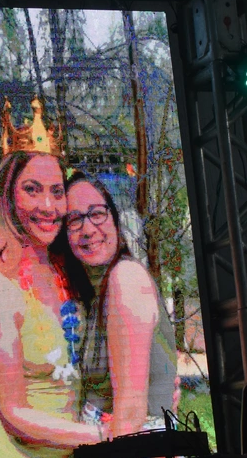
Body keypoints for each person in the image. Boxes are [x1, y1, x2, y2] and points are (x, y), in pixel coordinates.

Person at [0, 103, 101, 458]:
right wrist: (102, 436)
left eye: (56, 191)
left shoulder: (70, 265)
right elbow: (14, 413)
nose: (48, 206)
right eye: (32, 189)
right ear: (9, 196)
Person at [59, 172, 178, 436]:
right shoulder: (95, 292)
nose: (88, 229)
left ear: (114, 219)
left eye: (97, 213)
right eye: (75, 220)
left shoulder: (126, 278)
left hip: (134, 451)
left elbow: (131, 414)